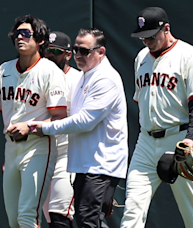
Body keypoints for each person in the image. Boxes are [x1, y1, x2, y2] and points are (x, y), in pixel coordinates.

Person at [10, 28, 128, 228]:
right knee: (88, 218)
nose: (78, 55)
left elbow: (84, 121)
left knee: (87, 218)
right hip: (85, 162)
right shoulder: (85, 74)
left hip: (102, 163)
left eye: (84, 50)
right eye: (75, 50)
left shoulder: (105, 78)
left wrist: (40, 127)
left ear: (101, 52)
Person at [0, 15, 68, 228]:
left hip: (39, 147)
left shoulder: (50, 71)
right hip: (11, 150)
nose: (20, 37)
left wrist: (29, 127)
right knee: (14, 221)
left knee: (28, 216)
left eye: (27, 33)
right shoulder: (5, 69)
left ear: (40, 40)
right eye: (17, 33)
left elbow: (59, 117)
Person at [120, 7, 193, 228]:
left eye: (151, 36)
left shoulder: (188, 54)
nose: (146, 41)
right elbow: (142, 103)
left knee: (192, 214)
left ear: (166, 28)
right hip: (145, 141)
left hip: (178, 139)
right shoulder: (141, 58)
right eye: (142, 37)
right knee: (132, 209)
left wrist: (189, 140)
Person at [42, 31, 81, 228]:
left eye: (55, 51)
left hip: (68, 153)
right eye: (46, 51)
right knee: (43, 216)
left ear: (68, 54)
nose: (49, 55)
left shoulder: (79, 79)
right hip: (41, 151)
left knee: (60, 214)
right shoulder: (37, 76)